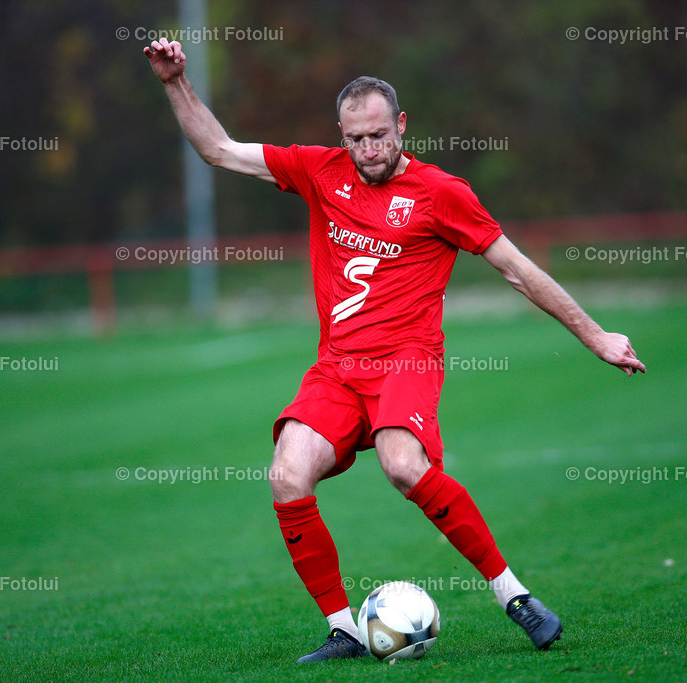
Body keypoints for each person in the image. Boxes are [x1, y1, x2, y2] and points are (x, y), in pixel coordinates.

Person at [144, 37, 645, 663]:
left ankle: (513, 595)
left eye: (379, 135)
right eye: (355, 139)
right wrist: (175, 82)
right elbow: (218, 150)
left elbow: (517, 269)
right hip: (336, 368)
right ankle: (345, 630)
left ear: (401, 125)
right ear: (341, 135)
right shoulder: (317, 170)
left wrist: (596, 335)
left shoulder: (442, 193)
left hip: (407, 360)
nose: (368, 150)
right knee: (286, 475)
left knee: (403, 464)